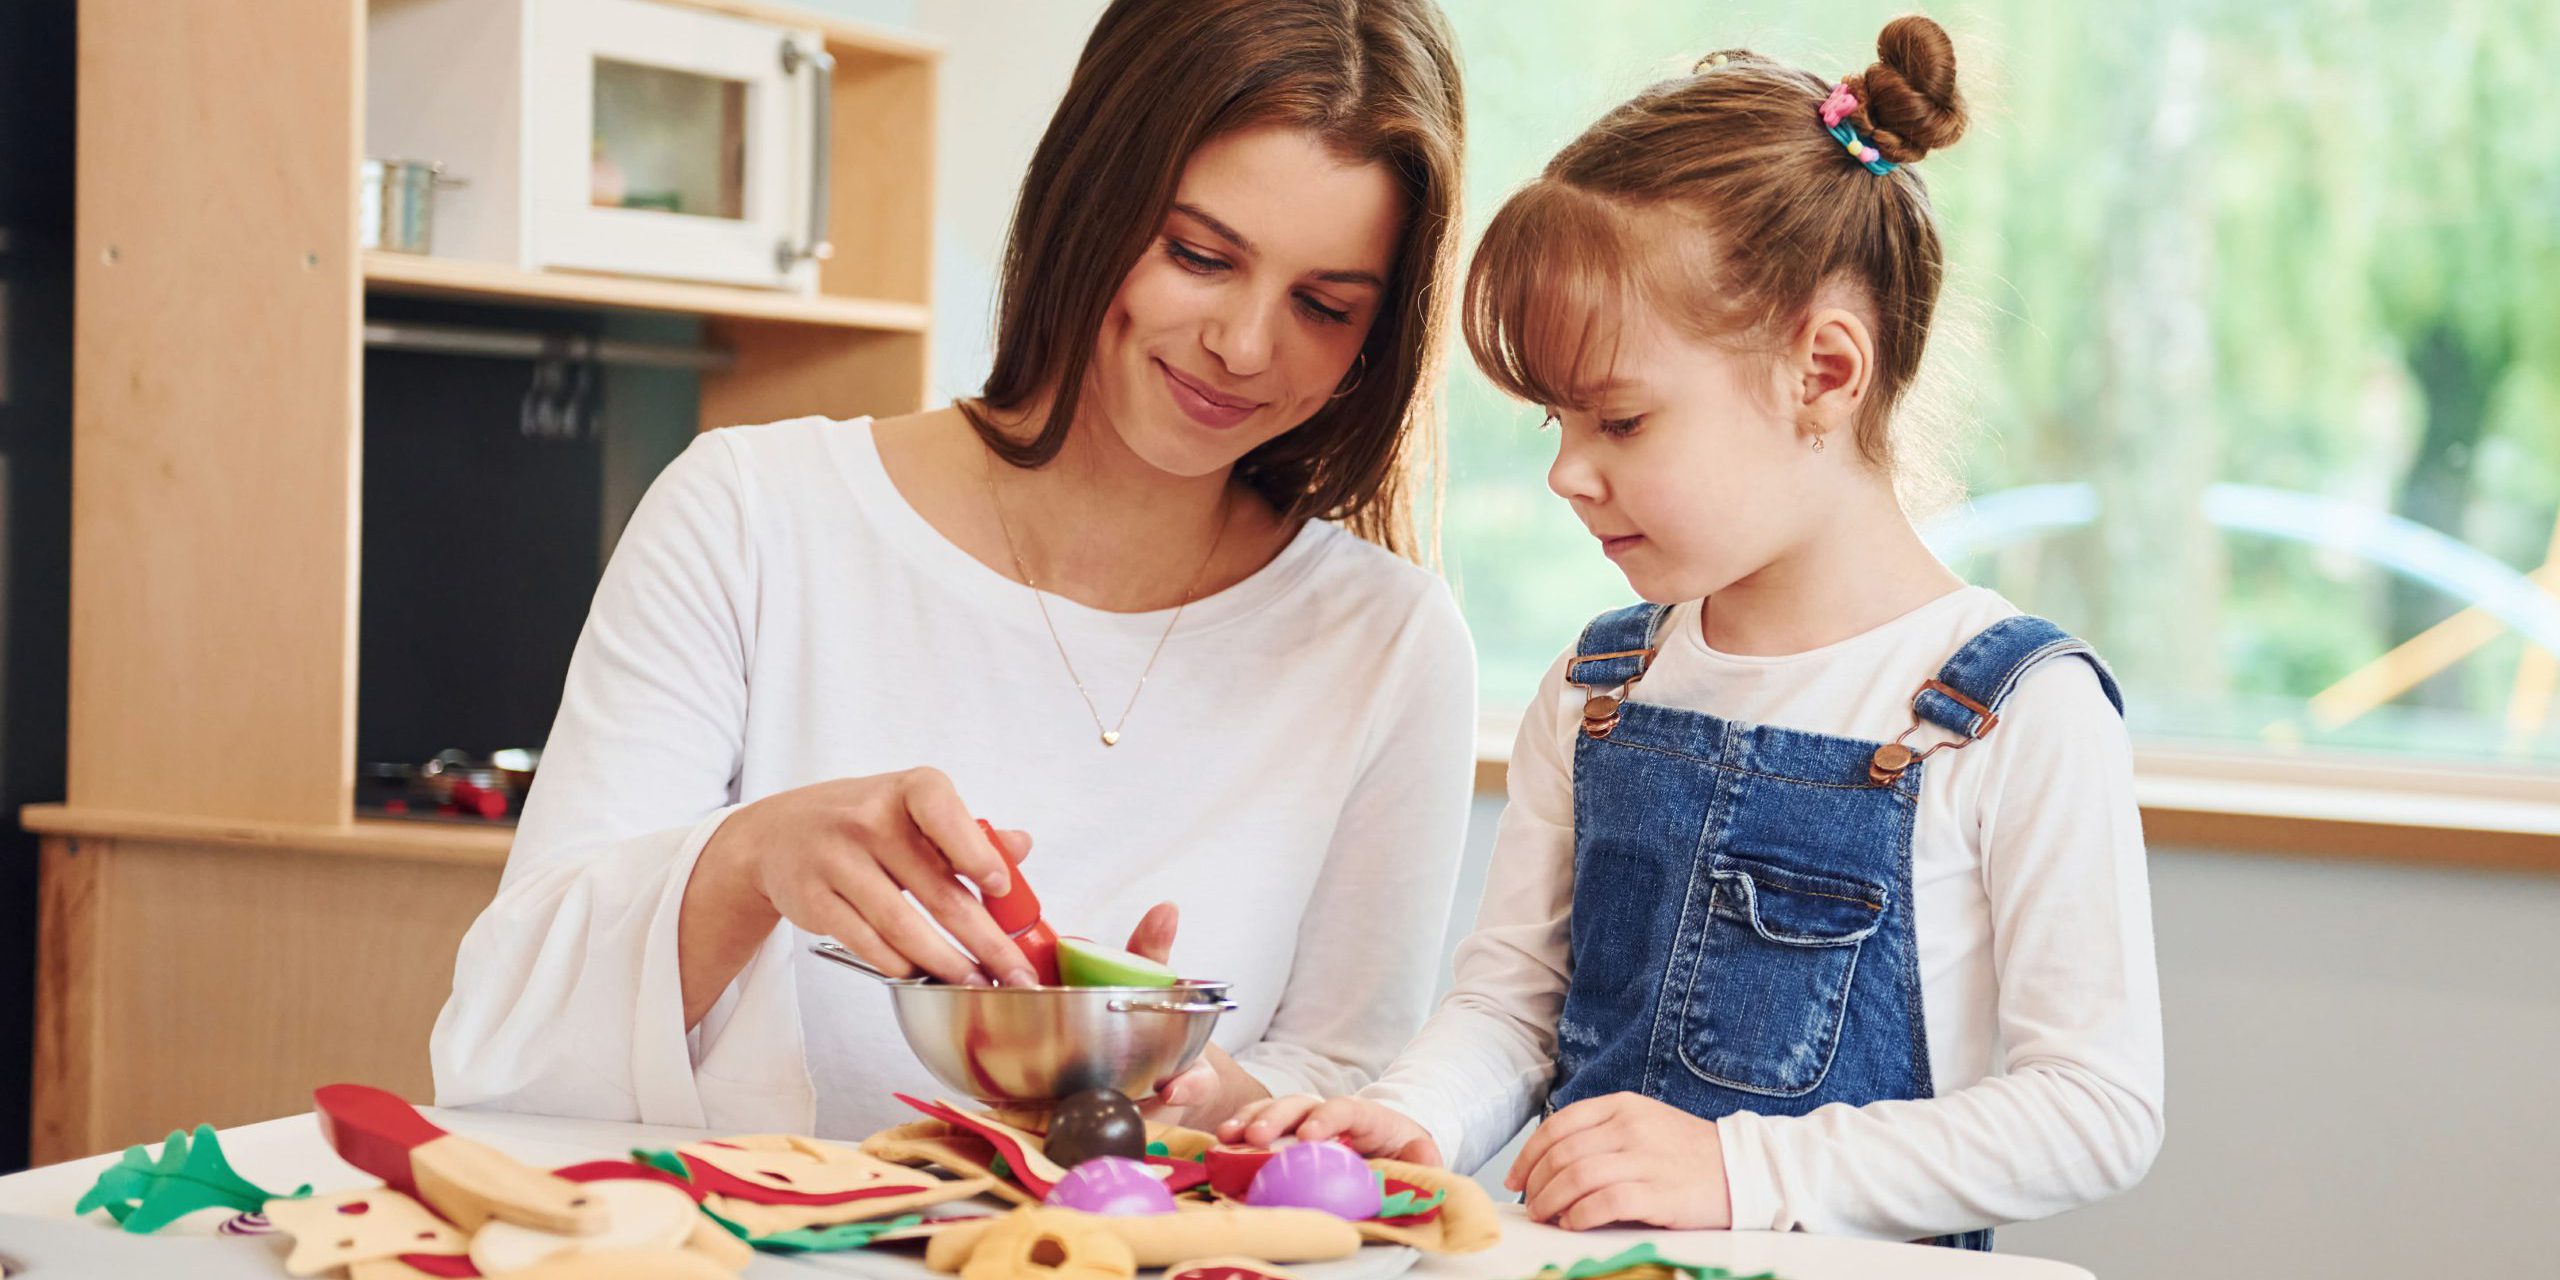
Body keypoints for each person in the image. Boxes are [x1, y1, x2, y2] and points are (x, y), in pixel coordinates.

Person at [431, 0, 1477, 1144]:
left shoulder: (1388, 640)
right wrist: (746, 862)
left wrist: (1193, 1090)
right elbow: (503, 1045)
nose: (1244, 344)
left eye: (1323, 306)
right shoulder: (749, 515)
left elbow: (1339, 1078)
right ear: (1089, 195)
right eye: (1197, 255)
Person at [1223, 17, 2164, 1248]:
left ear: (1822, 371)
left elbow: (2095, 1110)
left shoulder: (2012, 710)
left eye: (1619, 420)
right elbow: (1513, 1007)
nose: (1569, 472)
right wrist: (1407, 1116)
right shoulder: (1599, 684)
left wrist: (1742, 1170)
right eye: (1553, 423)